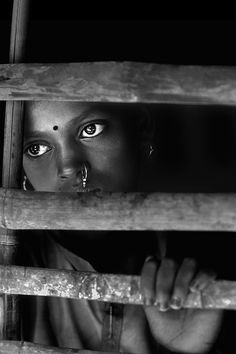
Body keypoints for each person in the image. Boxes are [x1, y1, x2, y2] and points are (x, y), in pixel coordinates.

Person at [20, 101, 223, 354]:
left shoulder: (207, 258)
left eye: (91, 129)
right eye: (37, 148)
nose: (70, 167)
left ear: (141, 127)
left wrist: (187, 349)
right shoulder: (14, 263)